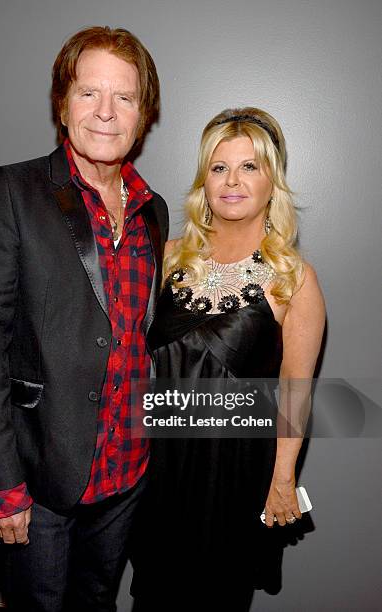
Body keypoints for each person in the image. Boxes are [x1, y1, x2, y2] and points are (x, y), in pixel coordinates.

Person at [0, 26, 168, 612]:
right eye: (88, 93)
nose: (106, 112)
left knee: (97, 602)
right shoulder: (13, 191)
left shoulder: (154, 210)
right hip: (39, 478)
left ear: (143, 113)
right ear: (62, 104)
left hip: (127, 473)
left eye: (124, 97)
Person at [130, 107, 325, 611]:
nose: (232, 181)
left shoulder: (293, 280)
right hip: (157, 467)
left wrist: (283, 480)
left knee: (220, 595)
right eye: (219, 167)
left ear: (271, 184)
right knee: (153, 593)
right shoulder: (167, 258)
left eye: (249, 167)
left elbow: (295, 392)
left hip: (235, 472)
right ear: (204, 180)